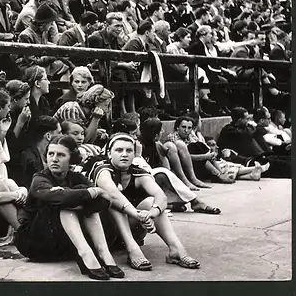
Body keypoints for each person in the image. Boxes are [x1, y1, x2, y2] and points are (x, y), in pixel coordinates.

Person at [84, 133, 201, 270]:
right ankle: (132, 249)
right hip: (103, 232)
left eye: (129, 151)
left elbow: (161, 196)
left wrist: (151, 213)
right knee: (112, 202)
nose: (124, 154)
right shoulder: (102, 168)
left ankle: (176, 249)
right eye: (119, 150)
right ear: (109, 153)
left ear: (135, 154)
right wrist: (137, 214)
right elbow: (113, 194)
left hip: (131, 229)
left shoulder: (137, 172)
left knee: (152, 201)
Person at [14, 135, 123, 280]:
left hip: (63, 244)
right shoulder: (39, 178)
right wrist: (92, 191)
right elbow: (55, 198)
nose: (54, 159)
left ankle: (103, 252)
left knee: (77, 199)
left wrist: (72, 195)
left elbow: (103, 202)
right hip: (36, 242)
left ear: (71, 158)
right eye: (51, 154)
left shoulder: (77, 177)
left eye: (61, 155)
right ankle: (85, 253)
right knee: (66, 203)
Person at [135, 118, 222, 214]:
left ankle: (175, 204)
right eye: (161, 130)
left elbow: (162, 165)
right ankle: (195, 201)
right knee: (163, 172)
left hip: (151, 182)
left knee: (165, 174)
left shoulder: (154, 145)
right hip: (140, 180)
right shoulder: (139, 146)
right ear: (155, 134)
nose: (163, 132)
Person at [18, 116, 62, 188]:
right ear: (48, 136)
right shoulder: (30, 159)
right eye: (59, 132)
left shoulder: (45, 156)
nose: (62, 136)